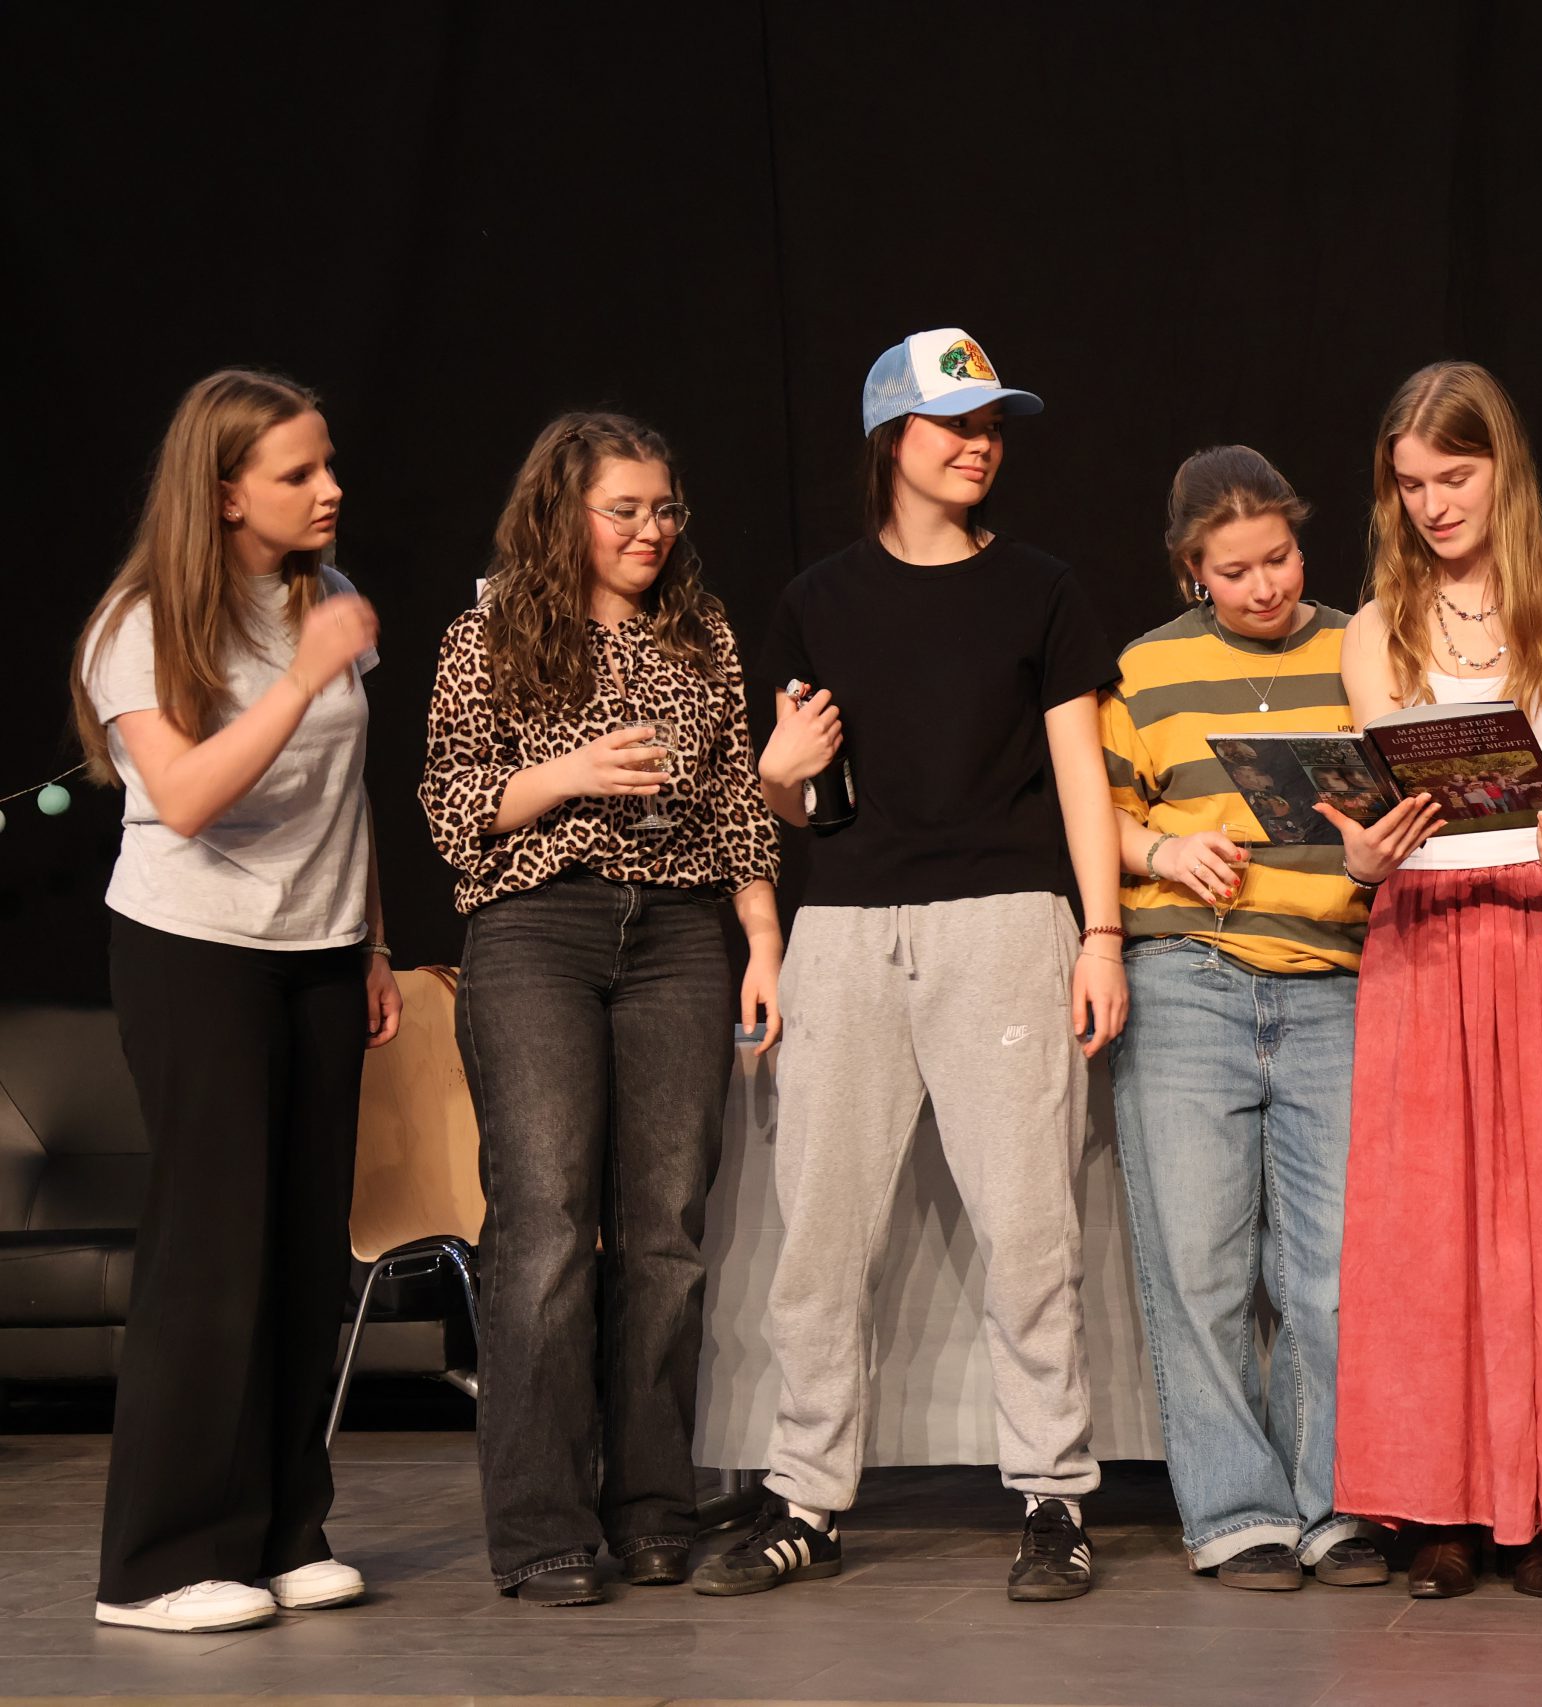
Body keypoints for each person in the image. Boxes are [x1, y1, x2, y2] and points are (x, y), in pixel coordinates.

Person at [695, 328, 1127, 1603]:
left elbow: (1081, 776)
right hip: (845, 931)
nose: (979, 445)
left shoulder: (1040, 589)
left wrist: (1100, 934)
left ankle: (1052, 1496)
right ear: (893, 439)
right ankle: (805, 1497)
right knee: (821, 1234)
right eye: (956, 423)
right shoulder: (816, 601)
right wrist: (775, 786)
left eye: (993, 426)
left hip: (1004, 922)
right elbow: (796, 797)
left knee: (1030, 1231)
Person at [421, 412, 782, 1607]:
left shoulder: (700, 631)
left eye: (664, 508)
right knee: (544, 1222)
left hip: (678, 933)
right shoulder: (488, 633)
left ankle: (652, 1508)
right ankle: (542, 1528)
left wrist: (761, 937)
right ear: (561, 512)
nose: (649, 530)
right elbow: (450, 805)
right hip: (539, 927)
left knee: (666, 1232)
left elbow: (735, 800)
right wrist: (567, 775)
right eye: (623, 510)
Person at [71, 369, 399, 1634]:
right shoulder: (141, 623)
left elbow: (343, 792)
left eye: (330, 465)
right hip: (193, 948)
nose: (330, 490)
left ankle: (281, 1530)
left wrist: (373, 942)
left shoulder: (322, 598)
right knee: (213, 1251)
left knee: (306, 1249)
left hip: (321, 949)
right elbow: (190, 796)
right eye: (297, 473)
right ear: (222, 494)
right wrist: (301, 679)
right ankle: (157, 1563)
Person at [1332, 360, 1542, 1601]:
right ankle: (1441, 1510)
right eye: (1411, 485)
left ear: (1501, 468)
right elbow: (1379, 808)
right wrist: (1364, 855)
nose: (1433, 505)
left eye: (1454, 477)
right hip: (1423, 937)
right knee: (1428, 1233)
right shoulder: (1377, 626)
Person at [1101, 446, 1438, 1592]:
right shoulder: (1146, 667)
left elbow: (1418, 799)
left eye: (1279, 559)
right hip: (1187, 979)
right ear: (1191, 572)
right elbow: (1097, 812)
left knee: (1331, 1272)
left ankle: (1332, 1502)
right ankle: (1235, 1512)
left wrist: (1378, 849)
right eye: (1234, 571)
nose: (1264, 587)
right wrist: (1161, 849)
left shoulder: (1359, 646)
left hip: (1333, 978)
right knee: (1198, 1265)